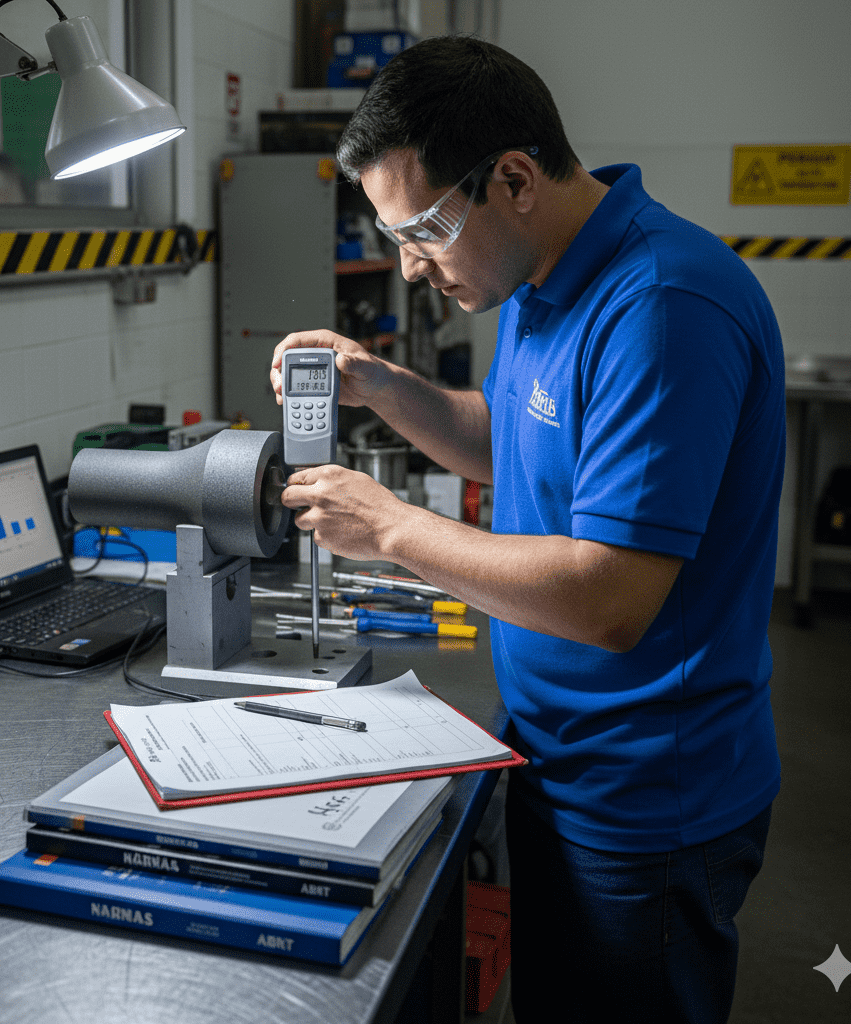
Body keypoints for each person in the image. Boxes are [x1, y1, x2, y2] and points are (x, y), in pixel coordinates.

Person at [270, 35, 783, 1024]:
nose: (410, 267)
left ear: (512, 179)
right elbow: (508, 443)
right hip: (559, 754)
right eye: (392, 236)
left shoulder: (661, 307)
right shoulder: (541, 280)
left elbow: (607, 597)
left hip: (646, 797)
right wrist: (381, 384)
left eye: (423, 229)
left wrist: (392, 528)